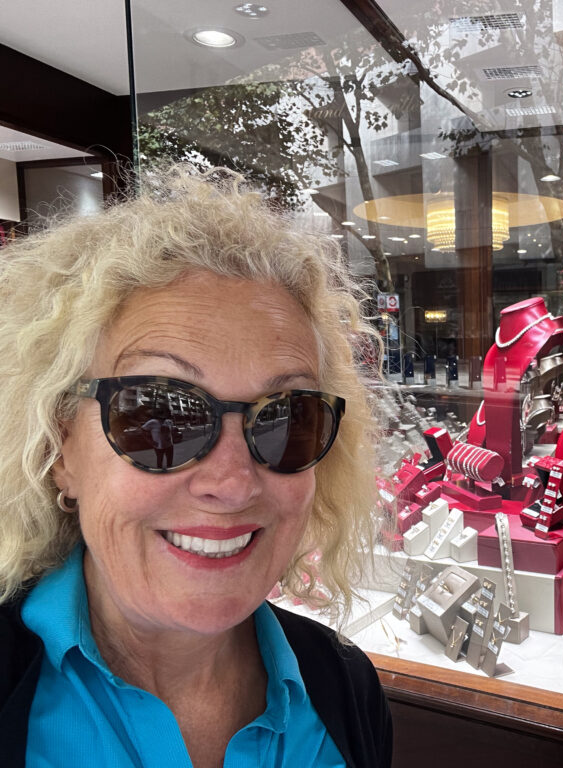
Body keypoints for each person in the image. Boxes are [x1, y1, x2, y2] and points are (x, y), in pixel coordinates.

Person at [0, 167, 392, 766]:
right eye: (160, 415)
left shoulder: (345, 689)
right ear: (60, 449)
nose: (232, 483)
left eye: (286, 417)